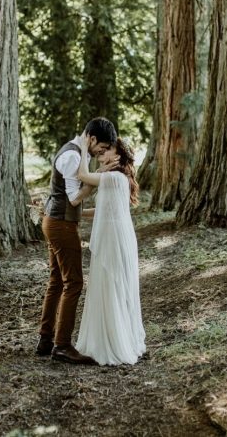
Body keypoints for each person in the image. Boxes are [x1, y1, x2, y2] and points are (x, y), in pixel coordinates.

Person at [36, 118, 118, 364]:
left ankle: (45, 339)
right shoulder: (72, 156)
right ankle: (62, 345)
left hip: (55, 220)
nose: (100, 153)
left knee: (56, 282)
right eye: (101, 148)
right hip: (61, 224)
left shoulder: (75, 153)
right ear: (91, 138)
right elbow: (73, 198)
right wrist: (99, 178)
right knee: (73, 283)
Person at [75, 135, 146, 365]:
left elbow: (82, 175)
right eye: (99, 152)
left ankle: (113, 343)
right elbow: (100, 210)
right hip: (115, 235)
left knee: (111, 284)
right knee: (109, 285)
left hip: (114, 239)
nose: (101, 154)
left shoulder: (115, 177)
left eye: (106, 151)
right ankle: (111, 337)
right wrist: (75, 214)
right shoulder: (114, 178)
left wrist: (84, 147)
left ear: (117, 155)